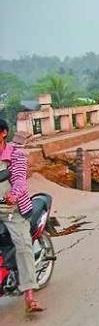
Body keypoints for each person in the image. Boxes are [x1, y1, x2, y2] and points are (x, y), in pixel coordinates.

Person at [0, 119, 43, 313]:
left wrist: (13, 195)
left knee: (22, 244)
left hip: (12, 210)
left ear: (3, 133)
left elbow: (19, 181)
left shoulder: (15, 155)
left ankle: (29, 295)